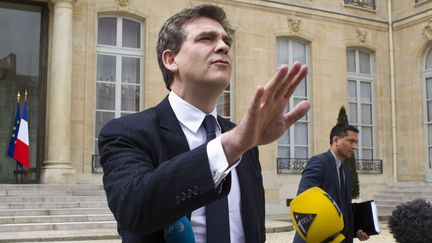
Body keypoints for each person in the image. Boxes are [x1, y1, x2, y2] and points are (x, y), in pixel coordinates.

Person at [98, 4, 310, 243]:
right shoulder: (126, 133)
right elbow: (134, 209)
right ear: (170, 59)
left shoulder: (243, 142)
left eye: (226, 42)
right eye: (206, 38)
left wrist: (237, 143)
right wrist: (229, 147)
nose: (223, 46)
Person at [293, 124, 369, 243]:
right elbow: (304, 203)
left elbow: (344, 207)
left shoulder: (346, 170)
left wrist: (358, 229)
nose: (354, 146)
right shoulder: (318, 163)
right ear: (336, 140)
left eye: (356, 142)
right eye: (351, 141)